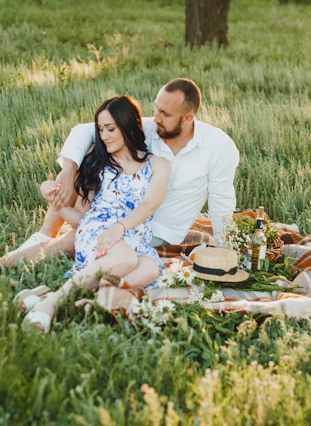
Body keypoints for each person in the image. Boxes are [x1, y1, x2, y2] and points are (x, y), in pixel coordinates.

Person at [0, 78, 239, 268]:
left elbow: (221, 204)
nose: (156, 118)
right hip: (114, 213)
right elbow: (85, 130)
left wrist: (229, 253)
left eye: (165, 114)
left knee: (71, 242)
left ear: (188, 118)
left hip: (156, 229)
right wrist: (68, 168)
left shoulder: (219, 147)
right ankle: (43, 235)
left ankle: (16, 262)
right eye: (156, 110)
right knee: (94, 147)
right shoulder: (153, 126)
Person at [21, 95, 170, 332]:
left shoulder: (158, 165)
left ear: (129, 126)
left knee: (151, 268)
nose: (104, 136)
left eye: (111, 129)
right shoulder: (100, 164)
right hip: (98, 232)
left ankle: (44, 296)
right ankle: (52, 303)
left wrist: (119, 227)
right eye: (101, 129)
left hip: (130, 236)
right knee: (127, 260)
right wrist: (57, 203)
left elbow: (149, 205)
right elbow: (84, 220)